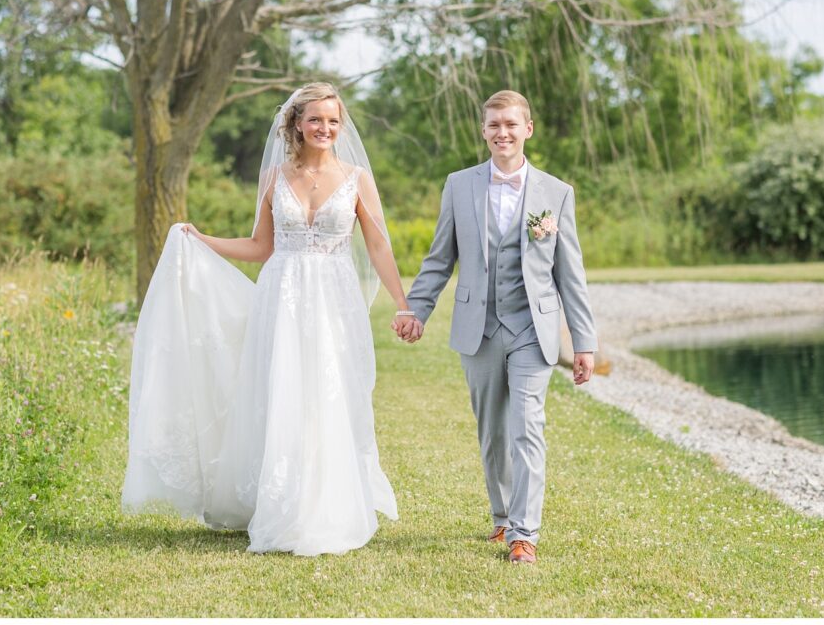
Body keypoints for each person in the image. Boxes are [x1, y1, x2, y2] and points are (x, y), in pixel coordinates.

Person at [122, 82, 409, 556]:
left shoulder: (357, 178)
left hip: (334, 300)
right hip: (283, 296)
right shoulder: (276, 177)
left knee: (330, 393)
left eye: (333, 121)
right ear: (297, 122)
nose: (325, 128)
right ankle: (282, 502)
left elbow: (379, 245)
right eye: (316, 119)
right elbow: (261, 247)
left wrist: (403, 302)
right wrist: (201, 239)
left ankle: (327, 504)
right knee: (284, 392)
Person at [395, 90, 598, 565]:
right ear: (483, 131)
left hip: (533, 327)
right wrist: (416, 310)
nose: (502, 133)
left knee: (527, 426)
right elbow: (439, 258)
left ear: (528, 128)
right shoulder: (458, 185)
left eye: (511, 124)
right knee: (492, 431)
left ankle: (525, 535)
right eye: (493, 125)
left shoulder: (556, 193)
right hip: (478, 326)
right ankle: (503, 516)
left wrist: (584, 341)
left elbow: (571, 274)